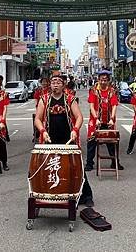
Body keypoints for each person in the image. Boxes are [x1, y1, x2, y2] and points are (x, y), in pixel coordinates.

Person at [34, 74, 94, 207]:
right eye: (53, 81)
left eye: (58, 82)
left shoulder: (70, 99)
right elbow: (37, 119)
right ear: (50, 85)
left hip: (68, 138)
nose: (55, 84)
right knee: (48, 167)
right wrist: (42, 131)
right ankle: (49, 194)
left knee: (76, 167)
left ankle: (86, 195)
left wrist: (75, 130)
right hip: (50, 139)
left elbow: (79, 117)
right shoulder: (44, 99)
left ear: (63, 85)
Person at [85, 69, 123, 172]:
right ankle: (89, 163)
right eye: (101, 80)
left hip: (108, 121)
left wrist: (112, 118)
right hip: (96, 121)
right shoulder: (94, 90)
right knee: (91, 141)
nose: (103, 82)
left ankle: (115, 162)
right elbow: (91, 106)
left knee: (112, 142)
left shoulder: (112, 91)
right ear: (98, 80)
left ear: (108, 81)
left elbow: (114, 105)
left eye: (105, 80)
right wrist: (96, 119)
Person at [32, 77, 50, 143]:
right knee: (38, 122)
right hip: (40, 109)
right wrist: (37, 109)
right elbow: (36, 100)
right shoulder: (38, 90)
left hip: (49, 109)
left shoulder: (50, 90)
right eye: (43, 82)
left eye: (46, 82)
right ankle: (37, 136)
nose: (44, 83)